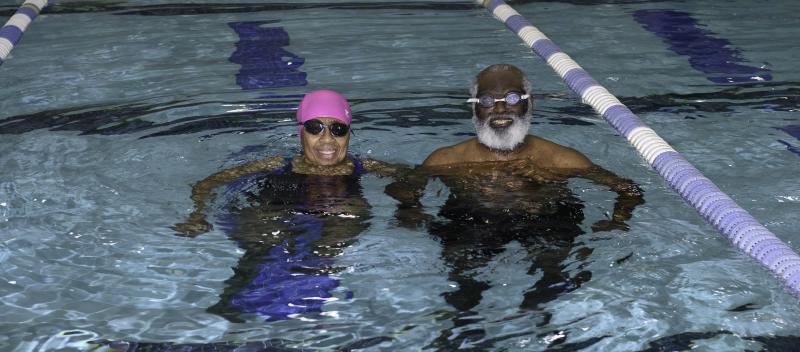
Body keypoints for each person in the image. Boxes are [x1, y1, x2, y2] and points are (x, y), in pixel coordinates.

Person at [386, 64, 644, 348]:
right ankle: (461, 326)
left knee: (552, 267)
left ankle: (538, 316)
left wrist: (617, 221)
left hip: (545, 218)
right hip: (473, 220)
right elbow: (403, 187)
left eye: (511, 98)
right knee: (465, 276)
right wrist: (409, 209)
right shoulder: (446, 159)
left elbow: (628, 189)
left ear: (528, 104)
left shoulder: (559, 159)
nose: (499, 109)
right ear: (474, 109)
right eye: (486, 101)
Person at [172, 89, 402, 322]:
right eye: (315, 128)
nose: (327, 139)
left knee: (346, 220)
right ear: (301, 132)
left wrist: (410, 207)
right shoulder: (277, 163)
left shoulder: (364, 166)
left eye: (338, 129)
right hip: (274, 214)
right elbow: (209, 182)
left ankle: (315, 298)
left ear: (348, 134)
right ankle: (231, 307)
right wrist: (198, 214)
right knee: (267, 241)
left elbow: (413, 176)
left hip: (333, 216)